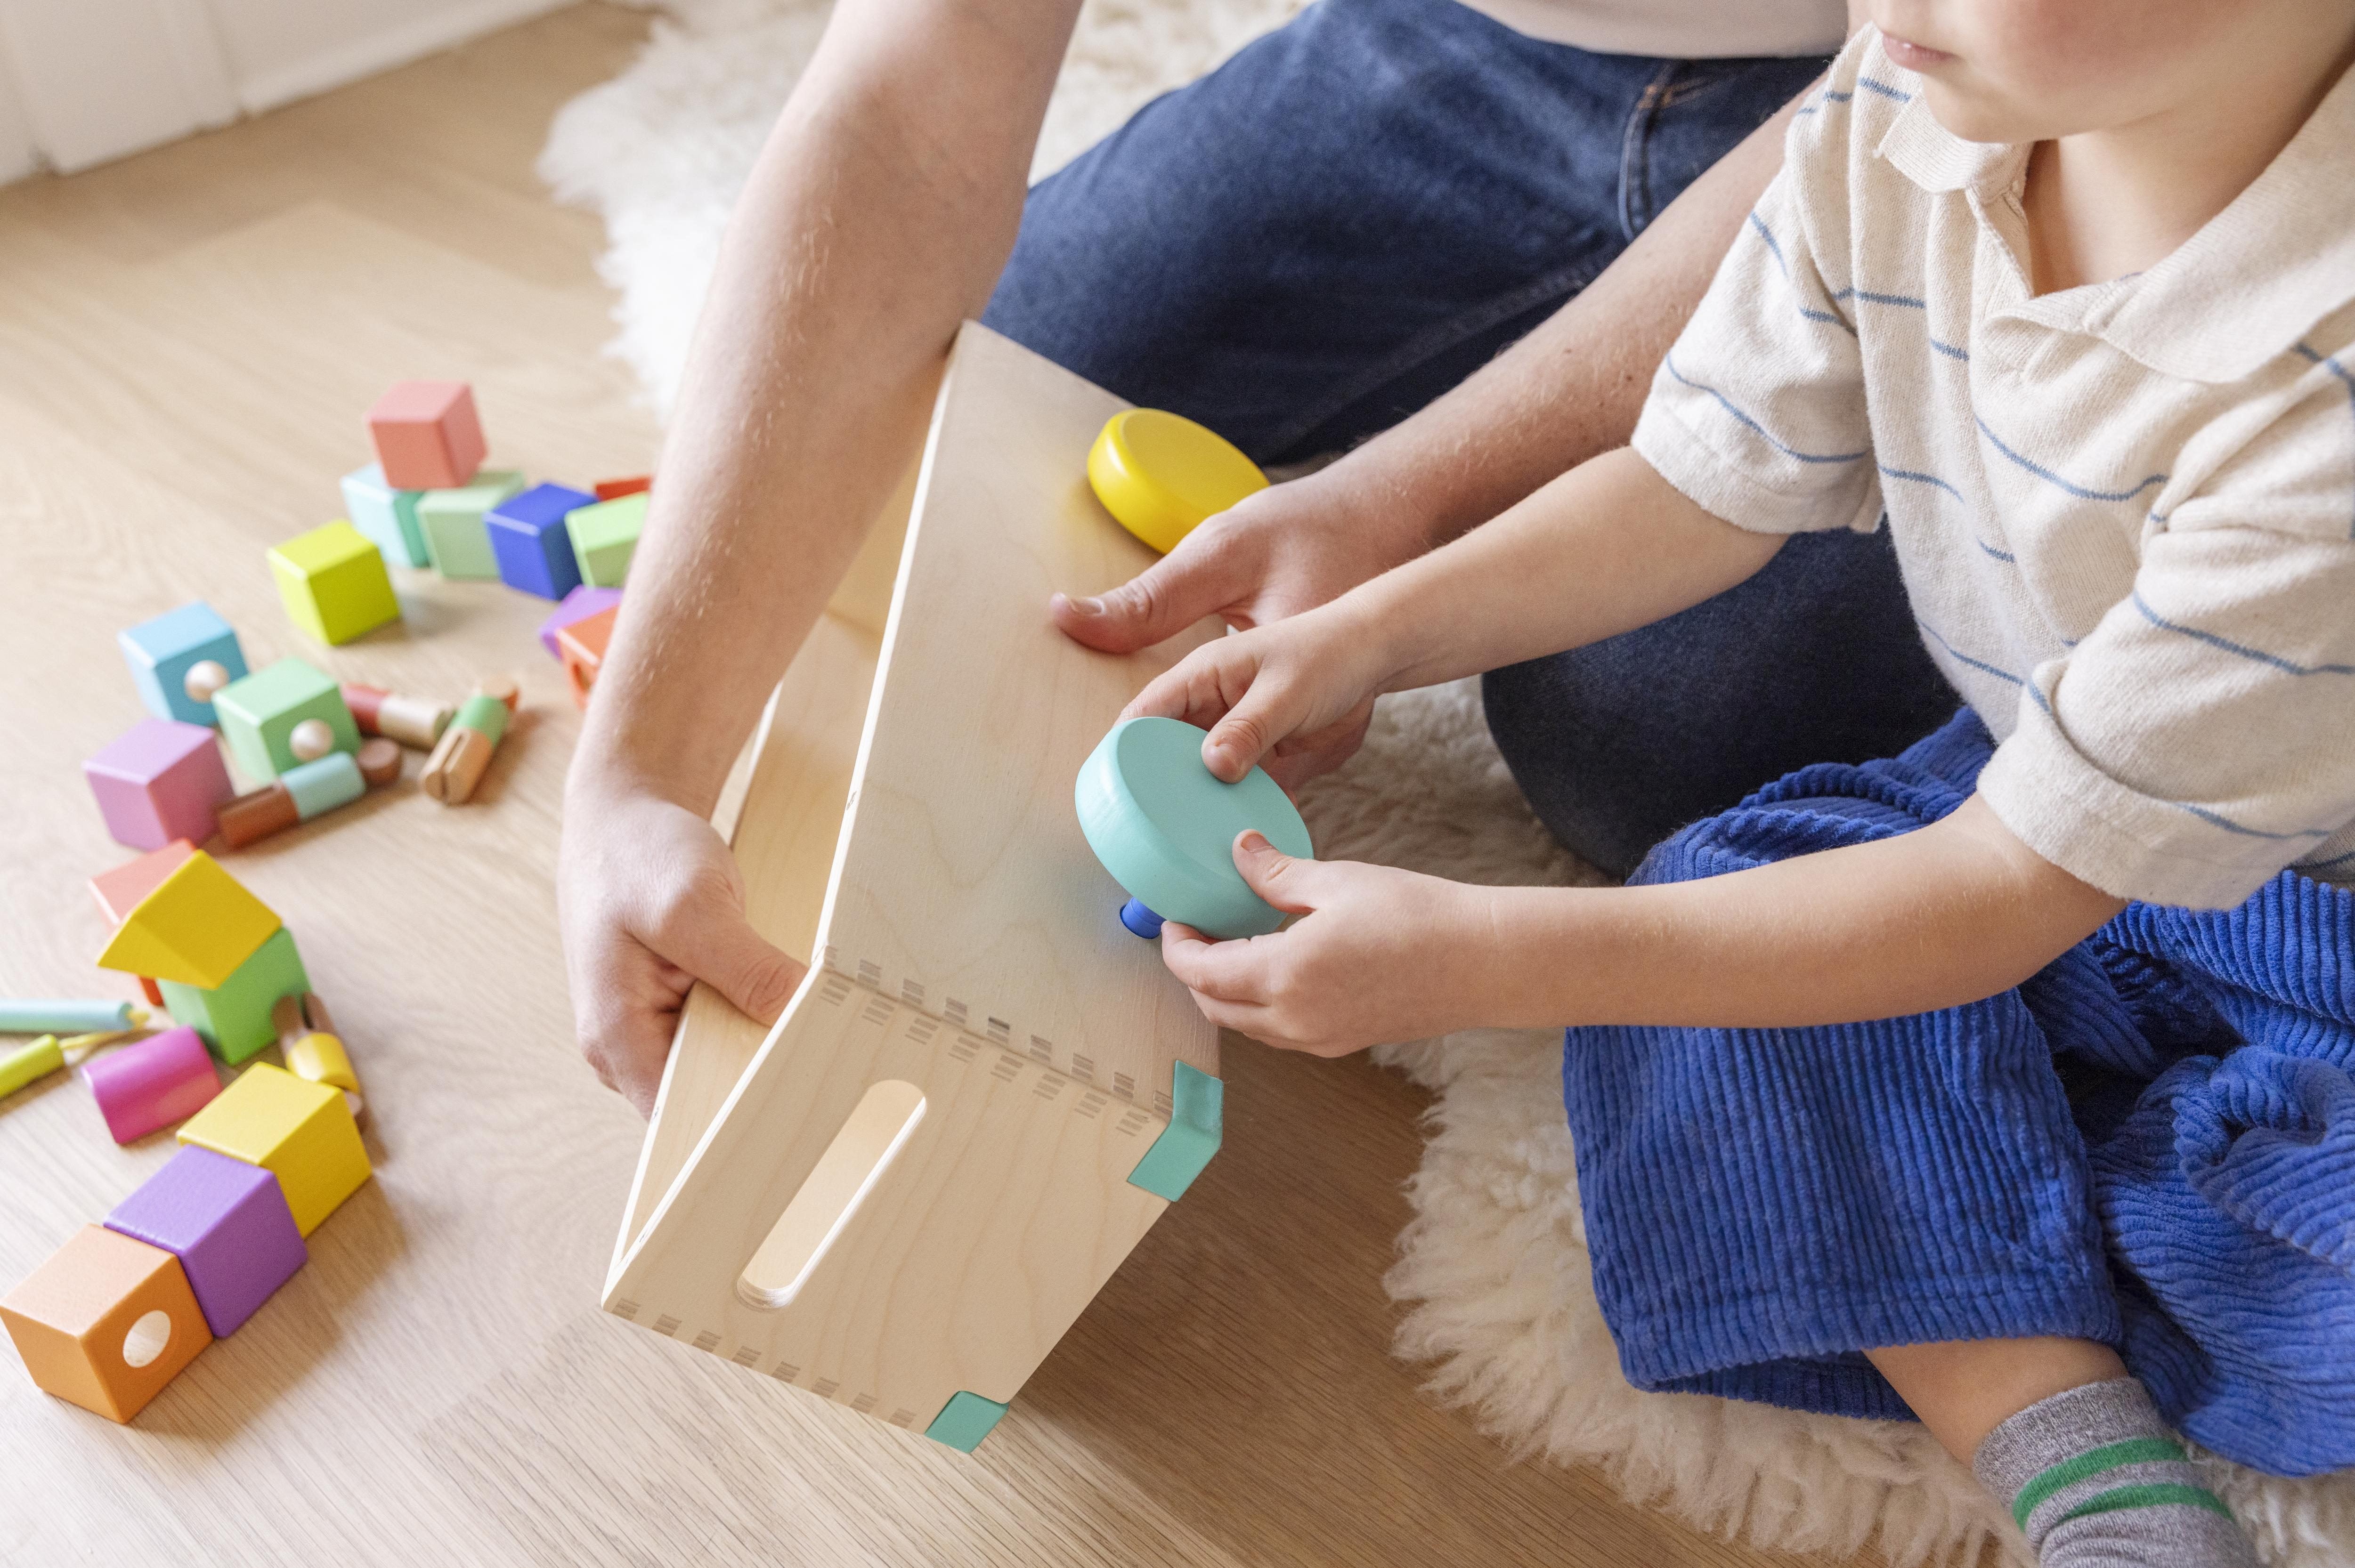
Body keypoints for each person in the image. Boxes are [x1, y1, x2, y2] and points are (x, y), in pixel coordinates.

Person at [1115, 2, 2355, 1562]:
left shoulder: (2326, 389)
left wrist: (1486, 960)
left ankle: (2040, 1224)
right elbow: (1696, 481)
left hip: (2298, 895)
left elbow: (1994, 895)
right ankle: (2086, 1467)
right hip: (2053, 779)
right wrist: (1374, 631)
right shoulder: (1911, 94)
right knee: (1720, 922)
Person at [559, 0, 1980, 1116]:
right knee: (979, 408)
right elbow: (903, 99)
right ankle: (1561, 369)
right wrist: (636, 767)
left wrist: (1402, 498)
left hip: (1948, 96)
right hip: (1465, 41)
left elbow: (1923, 79)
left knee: (1636, 740)